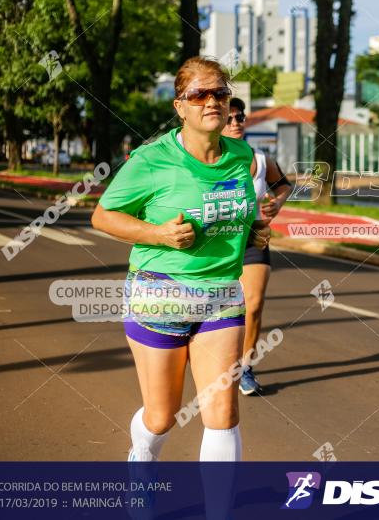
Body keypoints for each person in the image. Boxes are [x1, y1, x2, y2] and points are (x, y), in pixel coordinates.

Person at [91, 56, 271, 463]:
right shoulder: (152, 160)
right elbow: (102, 215)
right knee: (162, 416)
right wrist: (157, 234)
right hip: (161, 293)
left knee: (222, 413)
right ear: (180, 106)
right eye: (199, 94)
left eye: (220, 93)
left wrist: (253, 227)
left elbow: (236, 207)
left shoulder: (241, 155)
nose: (211, 101)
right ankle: (142, 457)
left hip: (223, 293)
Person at [221, 97, 293, 395]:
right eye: (231, 118)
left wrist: (276, 202)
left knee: (253, 304)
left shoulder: (261, 160)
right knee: (213, 307)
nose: (237, 123)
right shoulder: (204, 161)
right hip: (218, 240)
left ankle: (245, 367)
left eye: (240, 117)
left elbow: (285, 184)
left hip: (254, 236)